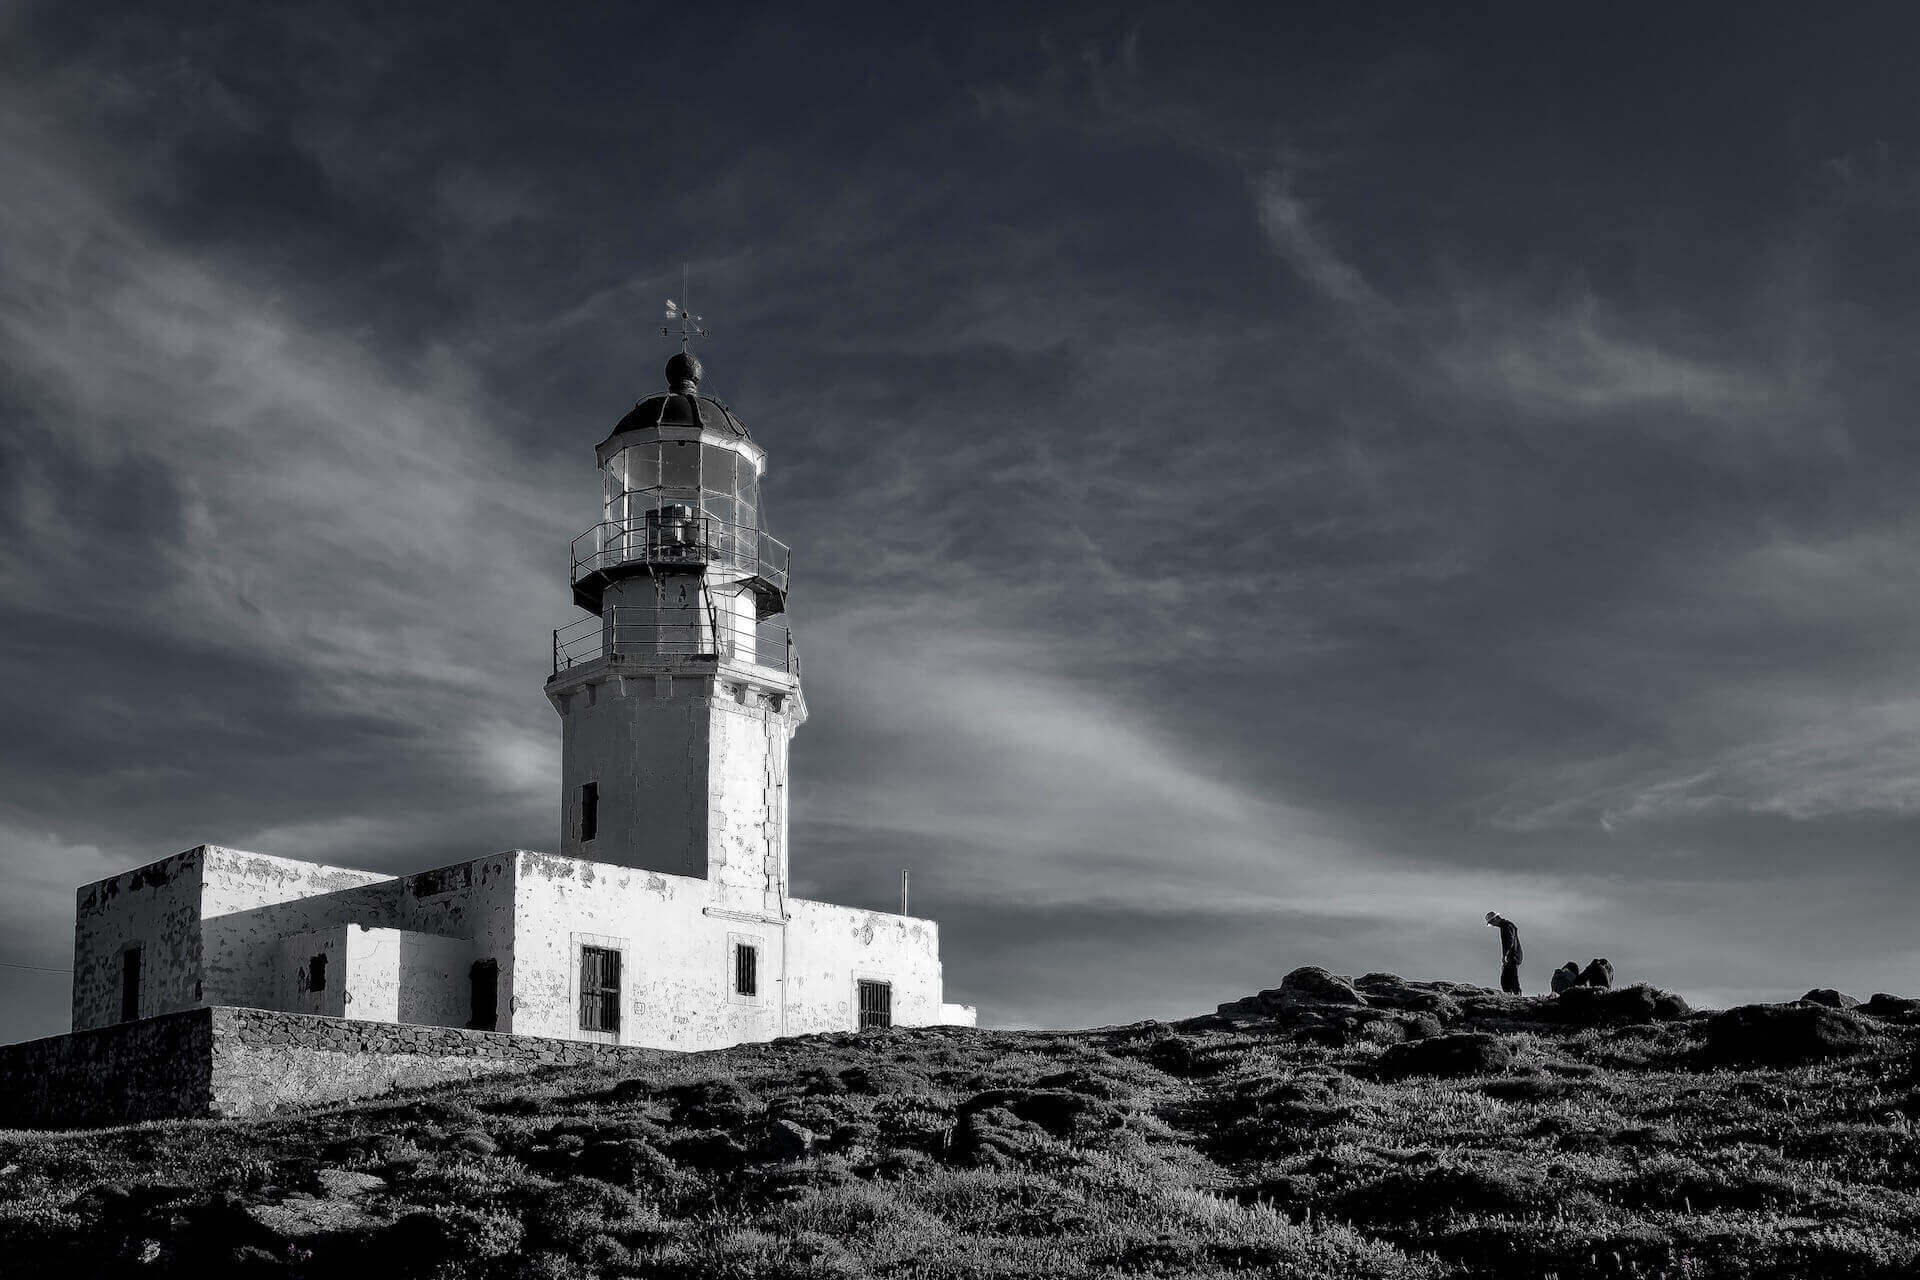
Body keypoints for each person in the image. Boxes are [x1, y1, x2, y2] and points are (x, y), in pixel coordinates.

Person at [1486, 911, 1522, 994]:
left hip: (1513, 956)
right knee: (1507, 980)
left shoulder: (1507, 926)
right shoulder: (1506, 925)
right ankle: (1513, 996)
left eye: (1492, 922)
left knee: (1510, 979)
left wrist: (1505, 955)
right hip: (1513, 955)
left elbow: (1510, 941)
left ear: (1496, 918)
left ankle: (1516, 996)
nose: (1493, 925)